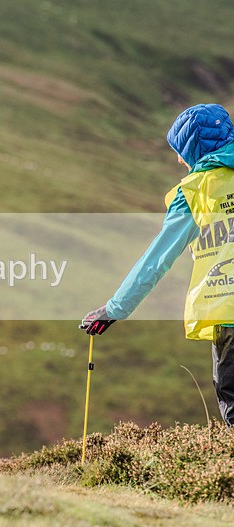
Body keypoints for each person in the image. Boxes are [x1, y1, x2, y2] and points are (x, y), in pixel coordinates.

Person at [82, 103, 234, 427]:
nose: (179, 159)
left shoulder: (195, 191)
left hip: (228, 313)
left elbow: (156, 260)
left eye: (181, 150)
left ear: (194, 147)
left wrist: (114, 308)